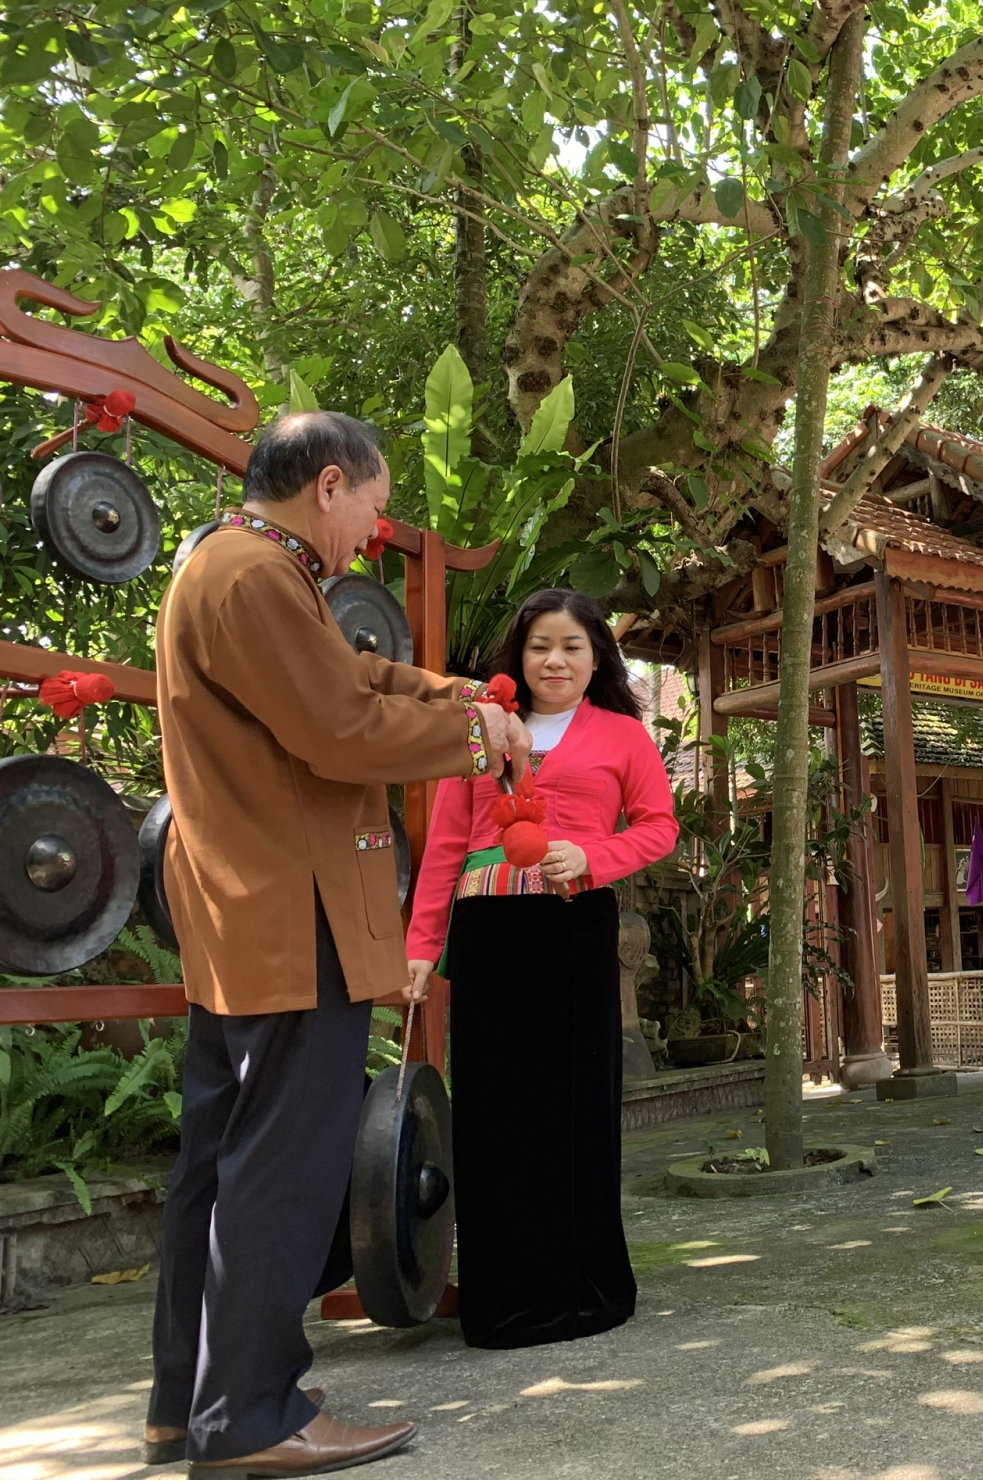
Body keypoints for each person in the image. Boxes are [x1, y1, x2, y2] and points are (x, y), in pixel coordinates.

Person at [148, 412, 529, 1475]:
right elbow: (338, 732)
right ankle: (252, 1416)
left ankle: (191, 1398)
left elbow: (352, 683)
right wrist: (467, 737)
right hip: (293, 911)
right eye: (373, 500)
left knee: (219, 1163)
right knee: (281, 1164)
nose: (376, 523)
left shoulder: (237, 568)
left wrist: (451, 695)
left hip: (248, 912)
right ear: (328, 484)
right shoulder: (255, 578)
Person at [405, 589, 679, 1349]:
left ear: (597, 659)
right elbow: (445, 850)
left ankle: (585, 1291)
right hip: (491, 932)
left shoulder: (624, 736)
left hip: (573, 926)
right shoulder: (484, 731)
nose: (554, 661)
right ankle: (505, 1301)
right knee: (495, 1115)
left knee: (575, 1108)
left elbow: (659, 828)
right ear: (517, 657)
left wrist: (594, 855)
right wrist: (422, 947)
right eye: (538, 647)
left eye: (571, 647)